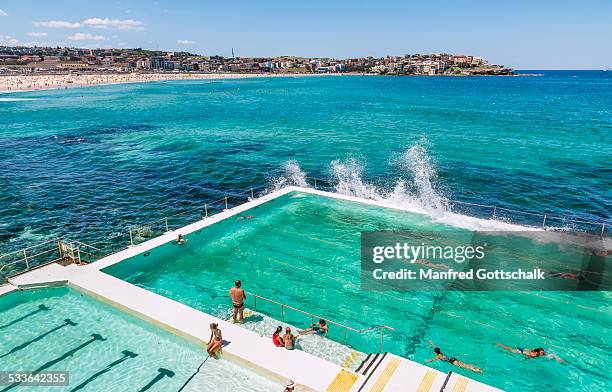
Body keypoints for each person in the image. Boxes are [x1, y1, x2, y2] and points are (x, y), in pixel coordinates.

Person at [496, 343, 564, 362]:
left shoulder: (541, 353)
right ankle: (500, 344)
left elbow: (552, 355)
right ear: (537, 352)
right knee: (510, 350)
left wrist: (557, 358)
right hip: (521, 351)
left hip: (526, 350)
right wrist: (526, 359)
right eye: (541, 353)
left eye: (542, 353)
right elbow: (527, 356)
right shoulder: (533, 354)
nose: (542, 354)